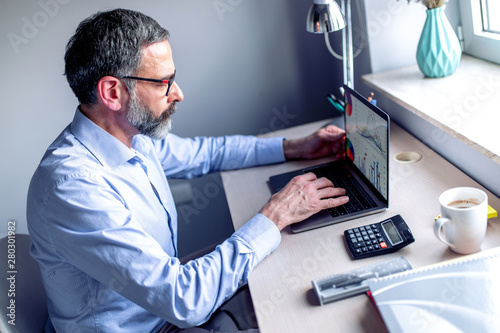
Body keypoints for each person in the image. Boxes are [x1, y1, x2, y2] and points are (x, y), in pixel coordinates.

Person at [27, 8, 349, 333]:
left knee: (291, 283)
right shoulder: (72, 187)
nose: (178, 93)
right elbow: (186, 301)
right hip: (160, 320)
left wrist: (294, 147)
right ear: (113, 92)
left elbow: (207, 154)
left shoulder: (131, 137)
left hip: (166, 306)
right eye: (164, 83)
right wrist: (276, 214)